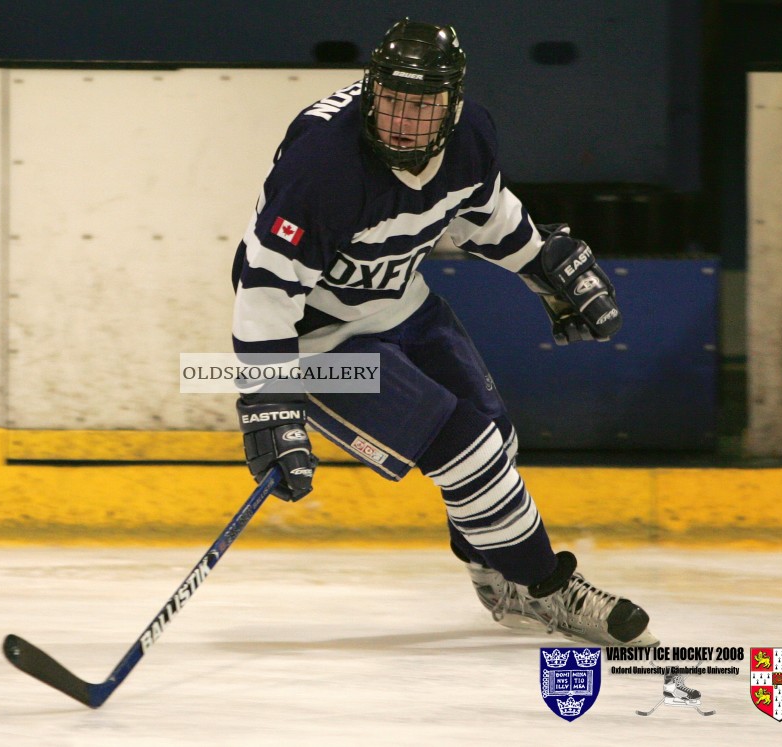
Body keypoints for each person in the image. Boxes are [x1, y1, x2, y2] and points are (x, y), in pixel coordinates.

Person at [230, 18, 655, 647]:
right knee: (470, 450)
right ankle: (547, 589)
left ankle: (500, 576)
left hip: (400, 301)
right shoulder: (321, 163)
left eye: (422, 107)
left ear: (452, 105)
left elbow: (485, 217)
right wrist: (267, 402)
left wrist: (544, 264)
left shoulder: (471, 138)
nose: (402, 122)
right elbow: (264, 287)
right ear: (374, 90)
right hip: (315, 341)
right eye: (393, 102)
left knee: (497, 444)